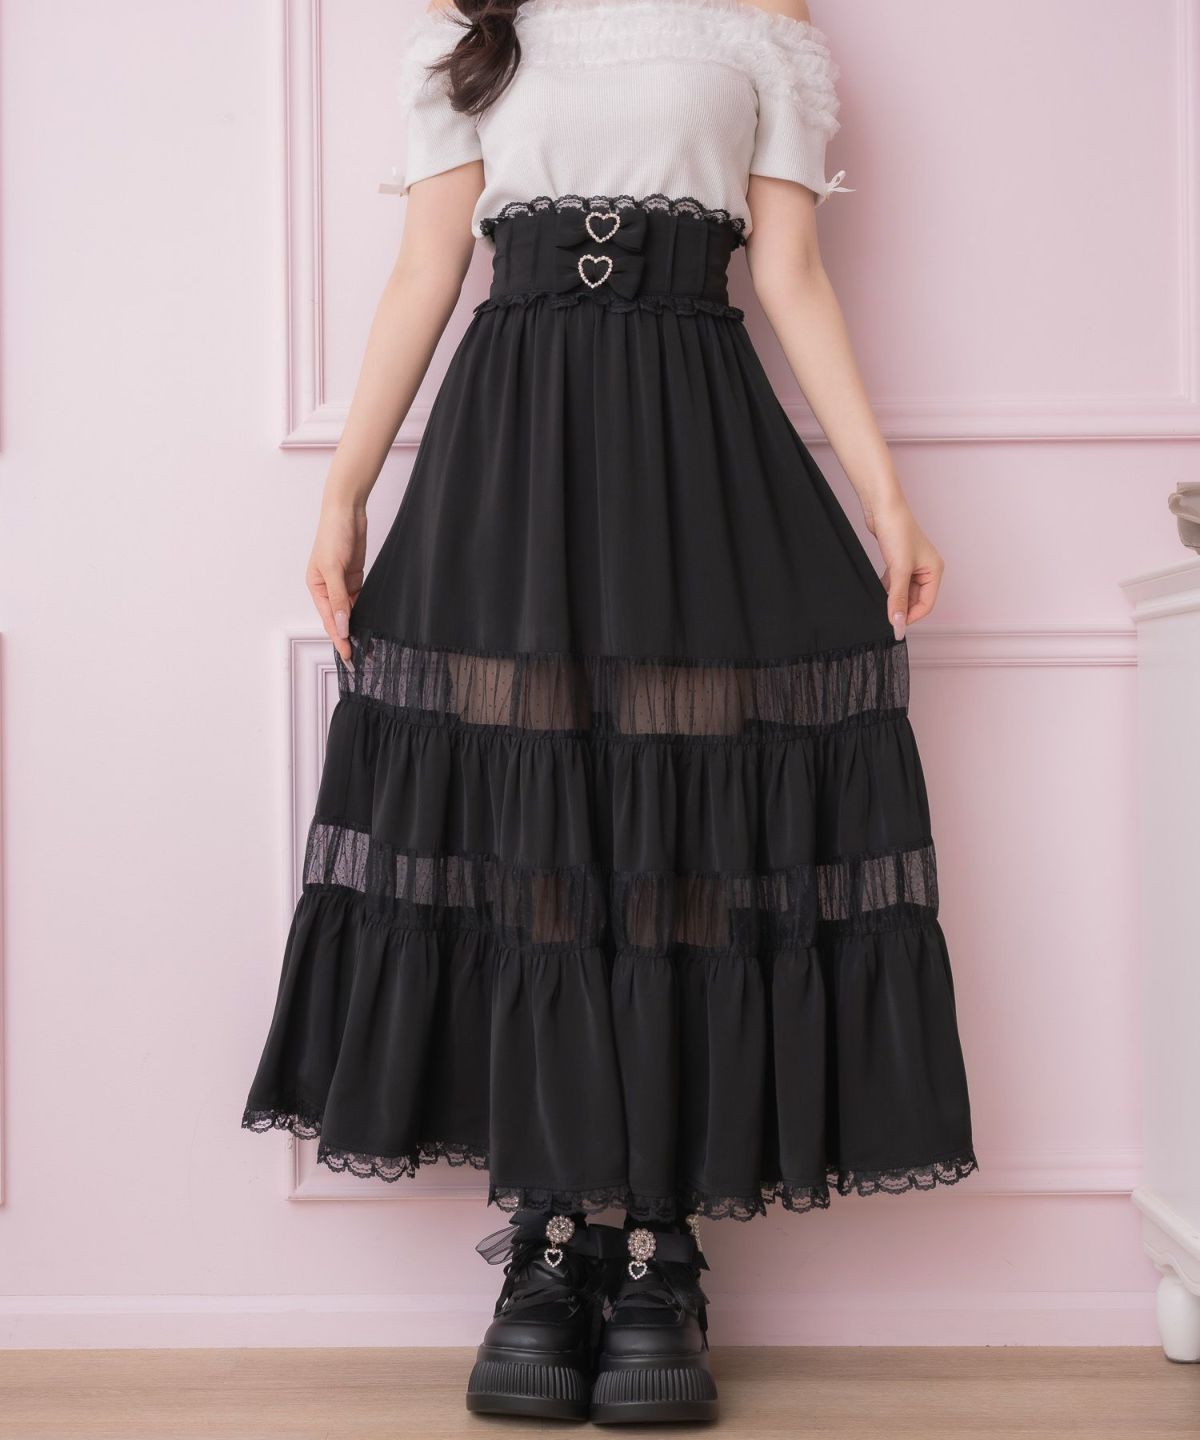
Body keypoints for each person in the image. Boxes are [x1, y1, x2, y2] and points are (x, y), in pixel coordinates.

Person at [241, 0, 979, 1423]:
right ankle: (548, 1236)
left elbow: (794, 274)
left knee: (677, 846)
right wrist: (341, 496)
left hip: (695, 452)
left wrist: (889, 500)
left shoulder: (764, 25)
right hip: (509, 456)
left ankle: (657, 1246)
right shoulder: (474, 31)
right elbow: (425, 269)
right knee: (532, 848)